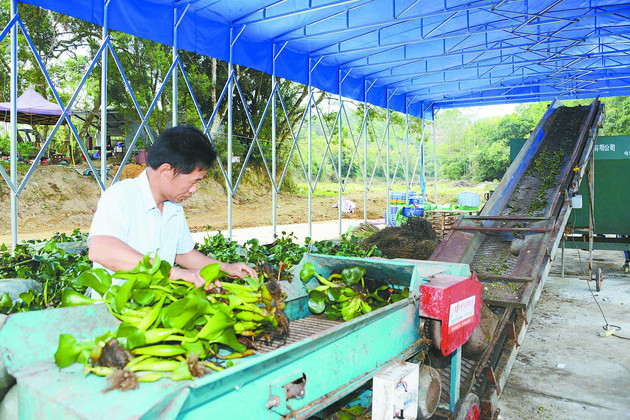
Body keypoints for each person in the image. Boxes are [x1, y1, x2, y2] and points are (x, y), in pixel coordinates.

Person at [88, 126, 257, 294]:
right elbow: (101, 249)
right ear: (166, 171)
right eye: (193, 181)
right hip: (113, 311)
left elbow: (183, 253)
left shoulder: (173, 206)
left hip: (155, 308)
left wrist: (227, 268)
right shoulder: (121, 196)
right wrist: (174, 274)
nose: (195, 189)